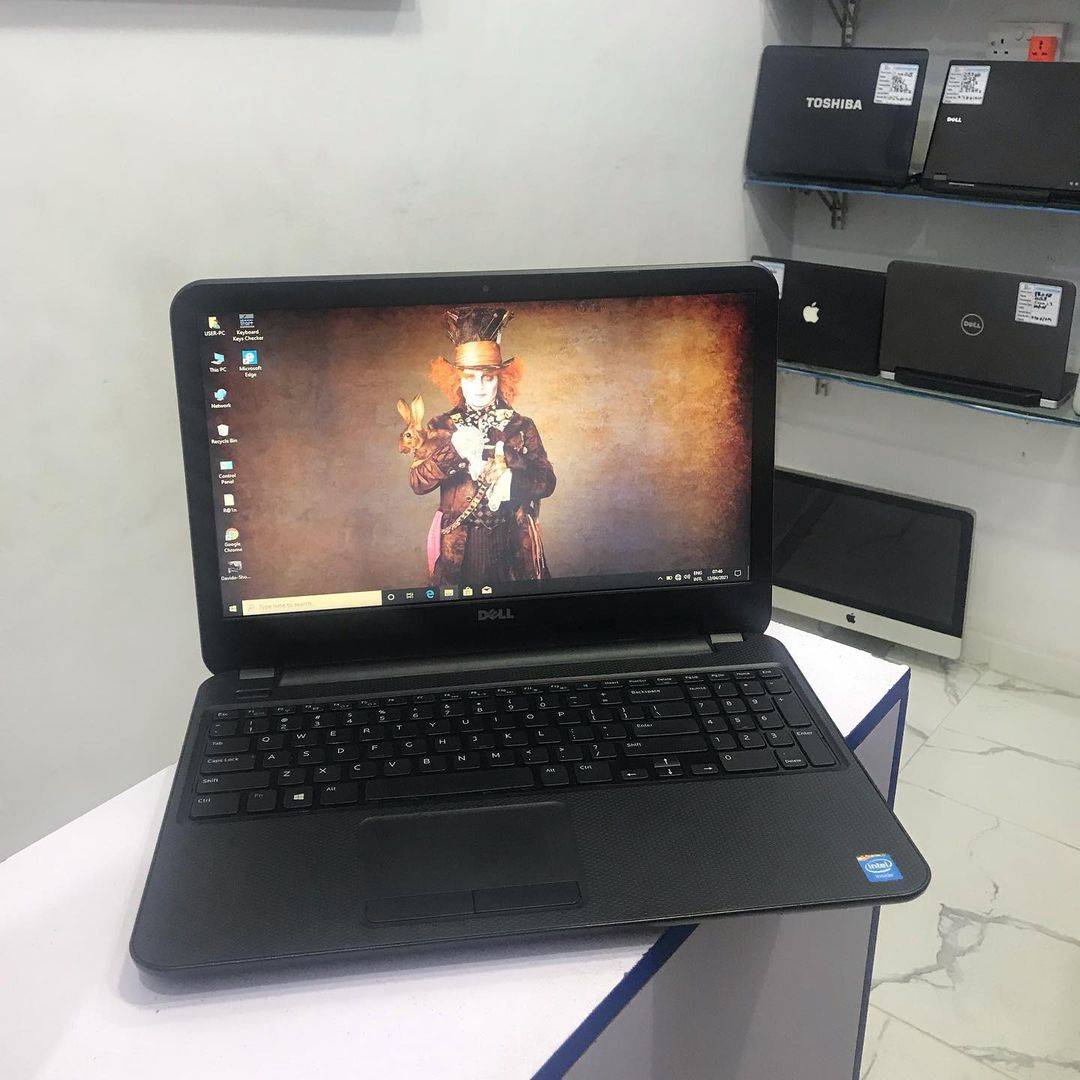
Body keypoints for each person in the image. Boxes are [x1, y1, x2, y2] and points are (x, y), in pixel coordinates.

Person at [408, 307, 555, 587]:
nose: (479, 386)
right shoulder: (441, 425)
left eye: (488, 377)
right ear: (457, 380)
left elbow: (547, 482)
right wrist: (452, 452)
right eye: (469, 377)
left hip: (514, 543)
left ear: (501, 379)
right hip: (460, 547)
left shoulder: (521, 425)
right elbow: (417, 482)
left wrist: (511, 475)